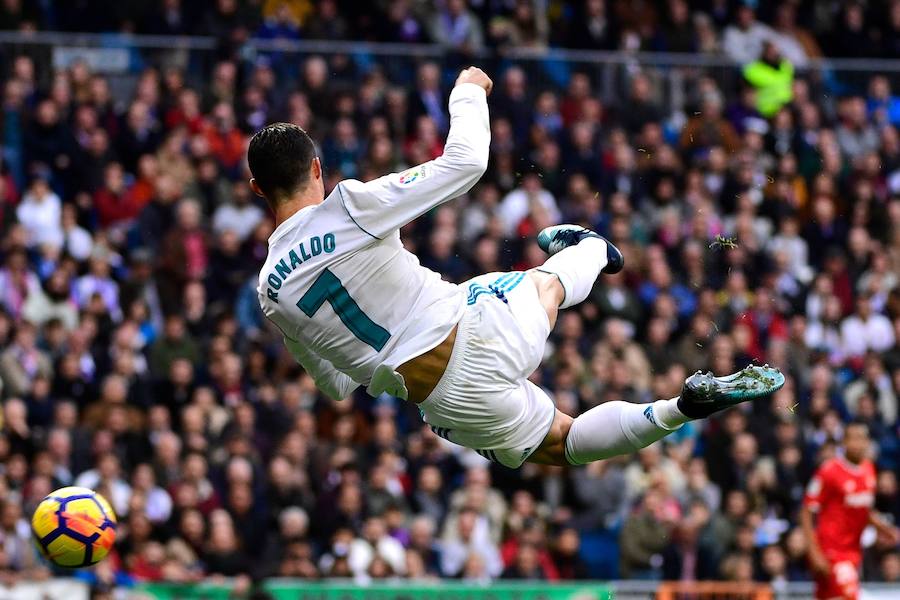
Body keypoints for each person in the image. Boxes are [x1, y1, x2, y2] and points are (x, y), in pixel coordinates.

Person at [249, 66, 784, 470]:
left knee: (562, 444)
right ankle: (593, 250)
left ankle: (680, 409)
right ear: (317, 167)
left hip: (443, 398)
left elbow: (337, 385)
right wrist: (466, 90)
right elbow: (467, 163)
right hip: (475, 328)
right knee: (544, 284)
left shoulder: (270, 290)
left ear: (258, 190)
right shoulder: (348, 206)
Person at [800, 422, 900, 600]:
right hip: (831, 551)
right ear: (844, 442)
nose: (858, 444)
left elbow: (863, 510)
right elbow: (806, 510)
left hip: (853, 549)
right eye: (853, 438)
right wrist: (814, 552)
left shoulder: (869, 469)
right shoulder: (829, 471)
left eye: (862, 438)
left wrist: (885, 529)